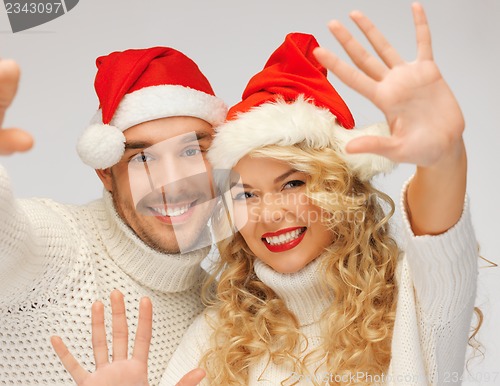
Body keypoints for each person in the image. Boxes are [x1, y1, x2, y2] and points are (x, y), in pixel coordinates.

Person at [52, 3, 479, 385]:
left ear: (339, 189)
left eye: (292, 184)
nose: (269, 214)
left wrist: (443, 155)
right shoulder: (215, 335)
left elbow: (439, 236)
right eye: (245, 195)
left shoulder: (416, 297)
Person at [0, 46, 227, 385]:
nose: (172, 184)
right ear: (106, 173)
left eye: (192, 151)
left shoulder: (219, 307)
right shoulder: (63, 249)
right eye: (142, 159)